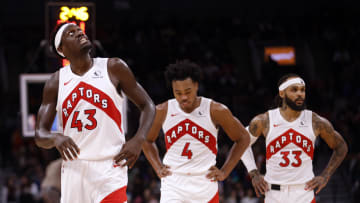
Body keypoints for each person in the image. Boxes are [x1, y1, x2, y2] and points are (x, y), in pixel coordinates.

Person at [34, 23, 155, 203]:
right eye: (71, 33)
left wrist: (139, 139)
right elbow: (39, 134)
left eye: (79, 30)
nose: (79, 33)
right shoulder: (56, 82)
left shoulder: (113, 67)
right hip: (74, 169)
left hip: (110, 166)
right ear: (62, 49)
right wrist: (55, 138)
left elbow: (148, 105)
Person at [142, 60, 250, 202]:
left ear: (196, 86)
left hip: (205, 183)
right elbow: (146, 139)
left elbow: (243, 138)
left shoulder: (216, 110)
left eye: (188, 92)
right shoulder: (162, 110)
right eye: (178, 93)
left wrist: (225, 171)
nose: (183, 97)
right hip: (174, 183)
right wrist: (157, 167)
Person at [241, 73, 348, 202]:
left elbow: (341, 146)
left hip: (304, 194)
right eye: (294, 89)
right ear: (282, 93)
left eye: (302, 90)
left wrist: (325, 176)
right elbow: (241, 142)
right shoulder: (265, 120)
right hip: (274, 195)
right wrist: (253, 173)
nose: (300, 94)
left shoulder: (315, 121)